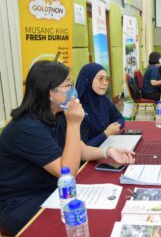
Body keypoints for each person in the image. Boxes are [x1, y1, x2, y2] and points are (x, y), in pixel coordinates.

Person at [0, 61, 134, 235]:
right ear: (49, 93)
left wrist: (107, 152)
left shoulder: (58, 114)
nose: (73, 90)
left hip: (52, 190)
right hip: (21, 202)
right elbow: (67, 174)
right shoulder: (27, 127)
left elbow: (80, 149)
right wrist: (73, 124)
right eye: (68, 85)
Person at [75, 62, 125, 147]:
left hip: (107, 147)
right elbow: (82, 148)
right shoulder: (77, 108)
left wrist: (115, 126)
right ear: (88, 80)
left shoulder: (103, 99)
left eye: (106, 79)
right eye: (100, 79)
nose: (105, 83)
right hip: (89, 158)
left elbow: (119, 118)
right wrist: (107, 133)